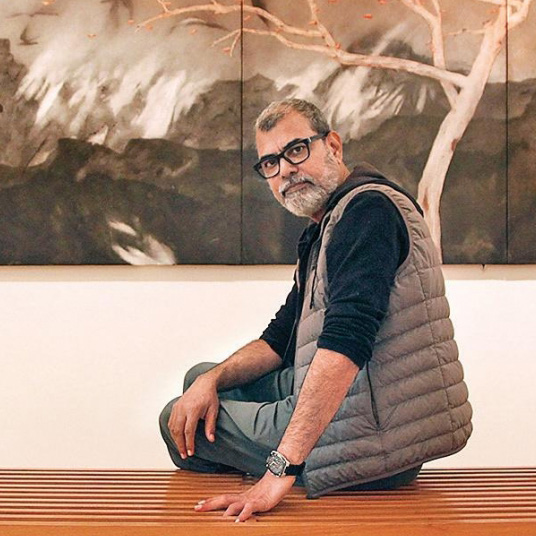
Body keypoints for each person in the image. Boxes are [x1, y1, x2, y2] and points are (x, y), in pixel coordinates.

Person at [159, 99, 472, 522]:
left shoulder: (368, 214)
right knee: (198, 382)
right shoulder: (331, 223)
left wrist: (280, 470)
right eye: (271, 162)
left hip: (377, 434)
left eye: (296, 150)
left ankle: (309, 473)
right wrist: (210, 380)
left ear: (333, 147)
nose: (285, 170)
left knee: (176, 420)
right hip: (361, 401)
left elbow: (345, 345)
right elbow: (279, 340)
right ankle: (256, 450)